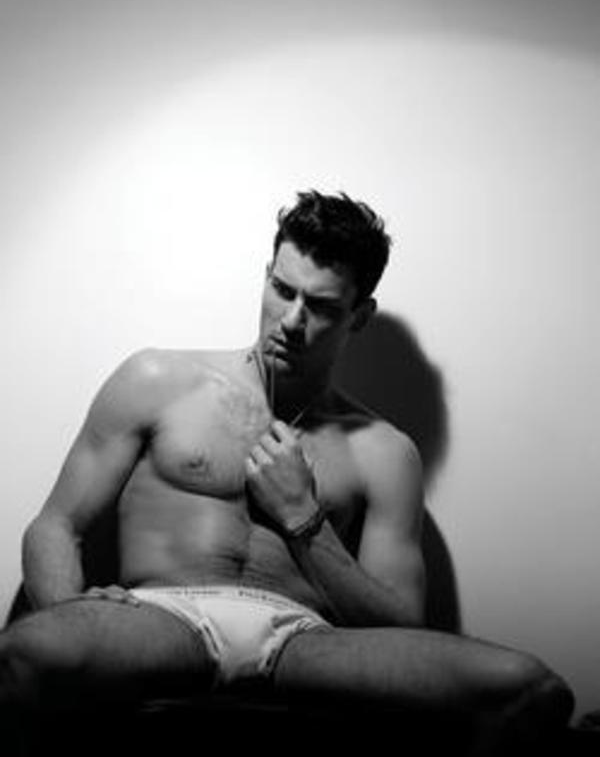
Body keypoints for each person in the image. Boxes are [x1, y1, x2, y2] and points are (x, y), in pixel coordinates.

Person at [2, 191, 573, 754]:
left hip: (304, 638)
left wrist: (304, 518)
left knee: (530, 690)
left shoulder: (384, 452)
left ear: (359, 316)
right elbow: (55, 526)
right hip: (165, 615)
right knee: (20, 656)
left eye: (321, 307)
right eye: (282, 290)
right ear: (266, 276)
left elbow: (400, 623)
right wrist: (69, 610)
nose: (292, 321)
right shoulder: (157, 380)